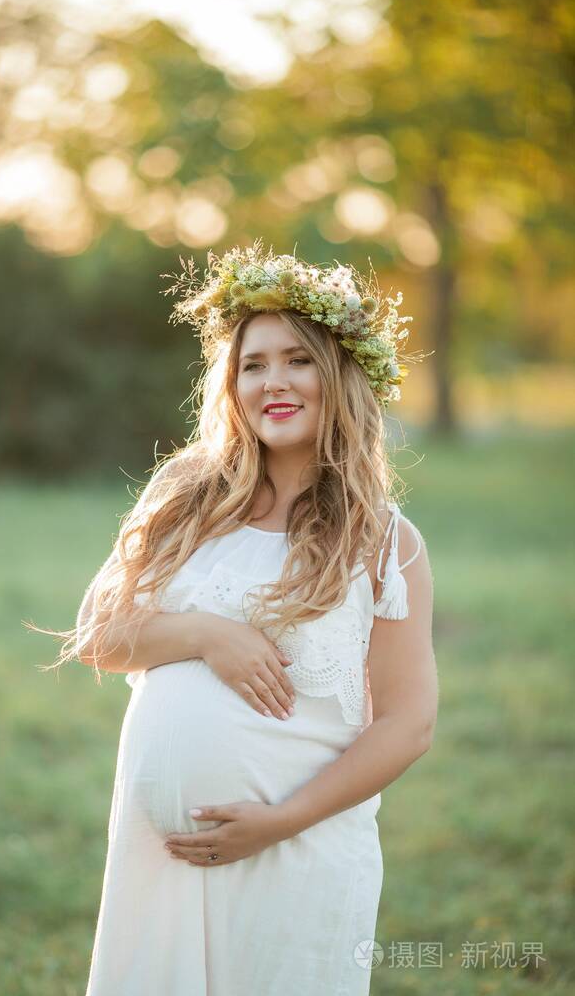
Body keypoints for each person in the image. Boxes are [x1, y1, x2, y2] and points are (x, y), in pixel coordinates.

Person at [56, 241, 437, 995]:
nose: (274, 382)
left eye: (298, 360)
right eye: (253, 365)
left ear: (341, 376)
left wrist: (280, 821)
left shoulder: (383, 540)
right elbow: (96, 635)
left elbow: (408, 724)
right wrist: (207, 635)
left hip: (298, 851)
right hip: (160, 860)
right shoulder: (187, 493)